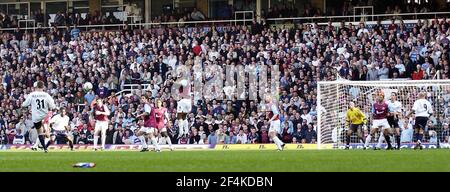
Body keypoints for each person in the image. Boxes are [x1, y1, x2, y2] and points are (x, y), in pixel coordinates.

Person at [22, 81, 56, 153]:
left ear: (36, 86)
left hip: (36, 117)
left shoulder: (32, 95)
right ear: (43, 87)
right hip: (45, 116)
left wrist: (25, 105)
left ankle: (44, 148)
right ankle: (44, 146)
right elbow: (53, 106)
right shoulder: (46, 95)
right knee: (47, 133)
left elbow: (24, 104)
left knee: (40, 133)